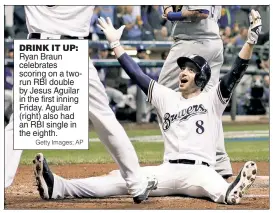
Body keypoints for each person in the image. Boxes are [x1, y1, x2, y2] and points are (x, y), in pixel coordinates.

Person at [33, 9, 262, 204]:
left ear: (201, 79)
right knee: (119, 178)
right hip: (166, 169)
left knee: (217, 186)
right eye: (183, 68)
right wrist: (115, 43)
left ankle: (229, 193)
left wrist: (250, 41)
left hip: (200, 171)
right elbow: (136, 74)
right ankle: (59, 187)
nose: (183, 72)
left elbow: (235, 73)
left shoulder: (212, 99)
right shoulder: (166, 97)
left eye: (191, 70)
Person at [5, 6, 158, 204]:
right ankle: (136, 182)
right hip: (71, 48)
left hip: (39, 46)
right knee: (105, 119)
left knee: (18, 125)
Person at [159, 5, 233, 179]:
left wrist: (175, 15)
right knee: (209, 104)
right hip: (213, 42)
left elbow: (200, 12)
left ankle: (178, 156)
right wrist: (171, 10)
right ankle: (220, 163)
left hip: (193, 42)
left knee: (160, 94)